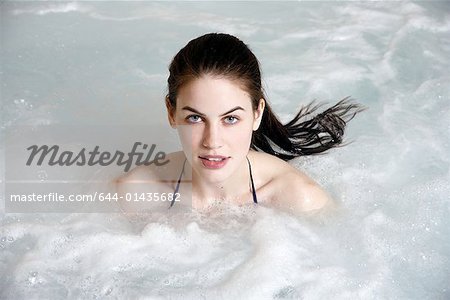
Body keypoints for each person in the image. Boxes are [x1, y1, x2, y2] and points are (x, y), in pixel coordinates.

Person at [115, 32, 364, 214]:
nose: (212, 142)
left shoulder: (300, 200)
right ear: (172, 113)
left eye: (231, 119)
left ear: (257, 114)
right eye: (195, 118)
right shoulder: (135, 192)